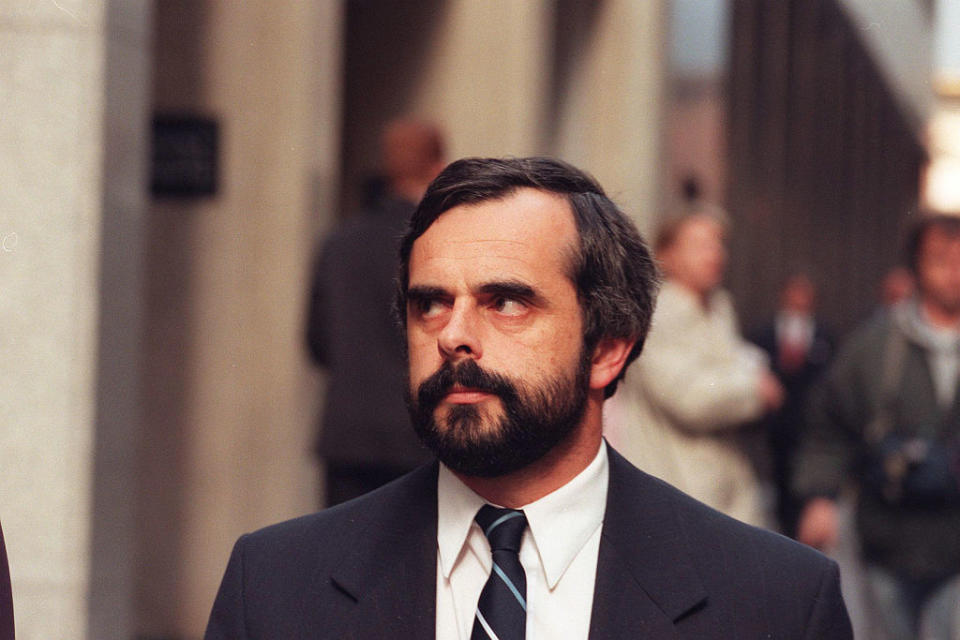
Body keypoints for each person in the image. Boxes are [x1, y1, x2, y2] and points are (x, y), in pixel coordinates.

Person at [206, 157, 851, 639]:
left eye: (506, 301)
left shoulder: (776, 605)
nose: (453, 335)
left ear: (606, 349)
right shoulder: (272, 588)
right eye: (430, 303)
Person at [794, 213, 960, 640]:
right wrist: (820, 497)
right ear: (917, 266)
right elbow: (829, 424)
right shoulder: (874, 346)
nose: (953, 272)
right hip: (888, 537)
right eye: (941, 259)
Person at [614, 207, 784, 527]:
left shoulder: (718, 308)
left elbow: (733, 368)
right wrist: (755, 388)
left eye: (718, 244)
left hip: (726, 488)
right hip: (677, 485)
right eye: (700, 245)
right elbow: (691, 399)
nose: (715, 254)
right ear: (668, 254)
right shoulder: (658, 314)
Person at [305, 118, 445, 506]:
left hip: (347, 435)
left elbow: (317, 341)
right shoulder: (431, 244)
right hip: (416, 435)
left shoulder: (340, 241)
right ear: (436, 167)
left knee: (345, 555)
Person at [749, 274, 835, 536]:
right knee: (781, 478)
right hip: (779, 423)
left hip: (809, 422)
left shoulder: (824, 334)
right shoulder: (765, 331)